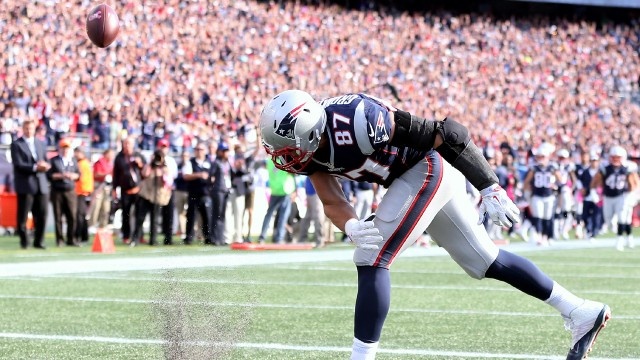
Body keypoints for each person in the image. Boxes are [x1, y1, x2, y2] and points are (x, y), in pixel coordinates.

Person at [258, 90, 611, 360]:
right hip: (410, 182)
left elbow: (448, 132)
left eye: (286, 146)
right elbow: (332, 200)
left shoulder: (357, 120)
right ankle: (580, 310)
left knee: (371, 258)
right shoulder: (306, 154)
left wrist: (488, 185)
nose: (282, 155)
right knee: (483, 261)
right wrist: (350, 224)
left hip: (425, 170)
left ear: (309, 130)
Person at [10, 119, 50, 249]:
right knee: (23, 215)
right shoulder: (17, 144)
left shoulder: (41, 143)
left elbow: (46, 160)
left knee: (42, 214)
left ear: (34, 129)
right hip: (26, 184)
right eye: (27, 128)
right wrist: (34, 167)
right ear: (23, 129)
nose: (29, 131)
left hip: (41, 184)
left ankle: (39, 241)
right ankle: (24, 241)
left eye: (31, 128)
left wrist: (45, 166)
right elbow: (18, 164)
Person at [590, 146, 639, 251]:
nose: (616, 160)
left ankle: (620, 240)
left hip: (623, 195)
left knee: (623, 218)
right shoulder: (605, 167)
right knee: (609, 220)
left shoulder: (628, 167)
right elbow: (595, 180)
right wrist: (593, 192)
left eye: (618, 157)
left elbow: (635, 182)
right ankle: (628, 237)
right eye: (614, 157)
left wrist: (634, 194)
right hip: (608, 196)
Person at [47, 138, 80, 247]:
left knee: (72, 216)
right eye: (63, 148)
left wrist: (73, 176)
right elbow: (49, 175)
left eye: (67, 148)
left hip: (70, 191)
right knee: (58, 216)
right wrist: (61, 176)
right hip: (57, 191)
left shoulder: (73, 160)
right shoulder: (54, 160)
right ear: (60, 148)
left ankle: (71, 238)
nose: (65, 150)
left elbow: (78, 175)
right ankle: (60, 239)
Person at [113, 136, 145, 244]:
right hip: (125, 190)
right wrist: (114, 188)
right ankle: (126, 236)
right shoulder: (119, 157)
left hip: (138, 189)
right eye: (125, 143)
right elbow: (116, 174)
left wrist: (140, 164)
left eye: (129, 144)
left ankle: (139, 236)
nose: (127, 146)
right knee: (125, 213)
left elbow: (145, 171)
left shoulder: (138, 155)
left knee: (139, 214)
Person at [157, 139, 177, 245]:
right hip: (157, 189)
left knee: (169, 213)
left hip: (168, 189)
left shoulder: (171, 160)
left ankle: (168, 237)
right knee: (155, 214)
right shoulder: (154, 158)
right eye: (161, 146)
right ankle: (154, 238)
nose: (163, 149)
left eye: (165, 147)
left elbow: (174, 175)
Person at [90, 148, 114, 229]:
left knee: (106, 207)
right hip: (99, 186)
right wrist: (105, 175)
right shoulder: (100, 162)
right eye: (111, 154)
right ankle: (92, 225)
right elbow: (96, 174)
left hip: (107, 187)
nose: (112, 156)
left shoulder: (110, 163)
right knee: (96, 206)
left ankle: (103, 225)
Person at [74, 146, 94, 244]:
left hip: (80, 192)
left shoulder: (82, 164)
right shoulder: (84, 163)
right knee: (81, 215)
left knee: (80, 215)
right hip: (83, 192)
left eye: (77, 152)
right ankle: (83, 236)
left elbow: (81, 179)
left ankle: (81, 236)